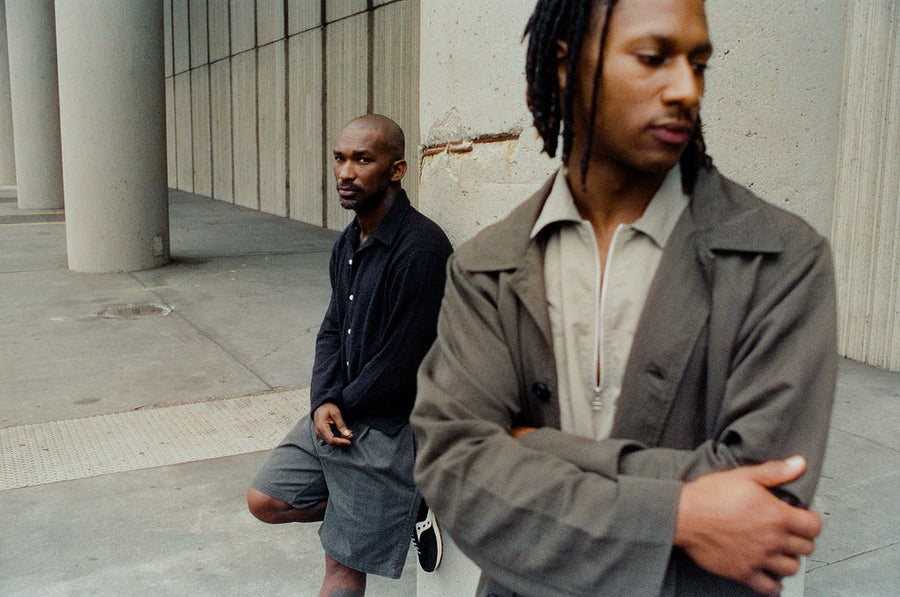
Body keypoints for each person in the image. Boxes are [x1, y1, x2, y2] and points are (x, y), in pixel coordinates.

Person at [411, 1, 837, 596]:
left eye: (699, 63)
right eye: (653, 57)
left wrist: (532, 450)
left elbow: (765, 500)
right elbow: (456, 471)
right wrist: (679, 515)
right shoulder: (487, 266)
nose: (687, 87)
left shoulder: (782, 258)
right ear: (564, 67)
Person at [248, 114, 452, 596]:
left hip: (387, 425)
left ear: (397, 170)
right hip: (341, 410)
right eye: (340, 158)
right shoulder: (348, 242)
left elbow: (404, 363)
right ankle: (399, 507)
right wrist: (322, 401)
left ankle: (392, 500)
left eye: (363, 159)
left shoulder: (421, 249)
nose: (345, 172)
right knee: (265, 499)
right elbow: (333, 327)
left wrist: (342, 405)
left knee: (340, 572)